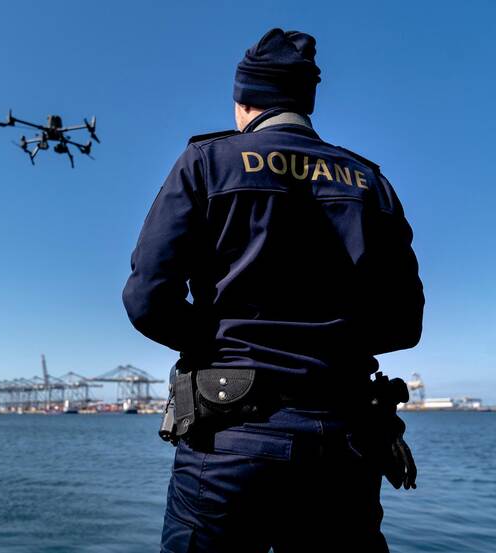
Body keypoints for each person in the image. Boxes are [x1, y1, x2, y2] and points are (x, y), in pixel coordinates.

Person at [123, 28, 424, 552]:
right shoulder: (369, 181)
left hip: (230, 439)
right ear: (305, 101)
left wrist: (217, 344)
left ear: (244, 101)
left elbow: (148, 299)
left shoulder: (206, 163)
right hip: (345, 443)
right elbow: (404, 323)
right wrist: (330, 346)